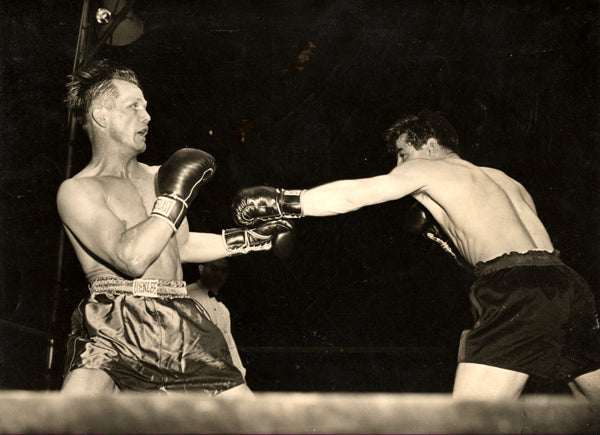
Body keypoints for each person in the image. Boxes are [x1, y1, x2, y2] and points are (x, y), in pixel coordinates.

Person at [230, 110, 600, 400]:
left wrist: (286, 201)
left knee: (470, 422)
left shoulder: (428, 168)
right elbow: (517, 248)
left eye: (403, 153)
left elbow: (354, 195)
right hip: (568, 284)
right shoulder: (503, 179)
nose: (398, 166)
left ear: (431, 144)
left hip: (517, 290)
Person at [57, 59, 291, 396]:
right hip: (113, 323)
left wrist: (249, 239)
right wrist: (175, 198)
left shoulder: (158, 177)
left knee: (252, 421)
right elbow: (132, 257)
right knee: (63, 422)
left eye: (146, 106)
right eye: (133, 106)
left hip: (179, 315)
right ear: (101, 117)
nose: (147, 116)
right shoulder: (78, 190)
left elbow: (177, 246)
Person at [186, 258, 247, 379]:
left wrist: (240, 374)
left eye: (223, 270)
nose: (218, 274)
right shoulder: (187, 296)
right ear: (201, 269)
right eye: (214, 268)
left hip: (219, 375)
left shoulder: (222, 310)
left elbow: (229, 345)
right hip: (195, 374)